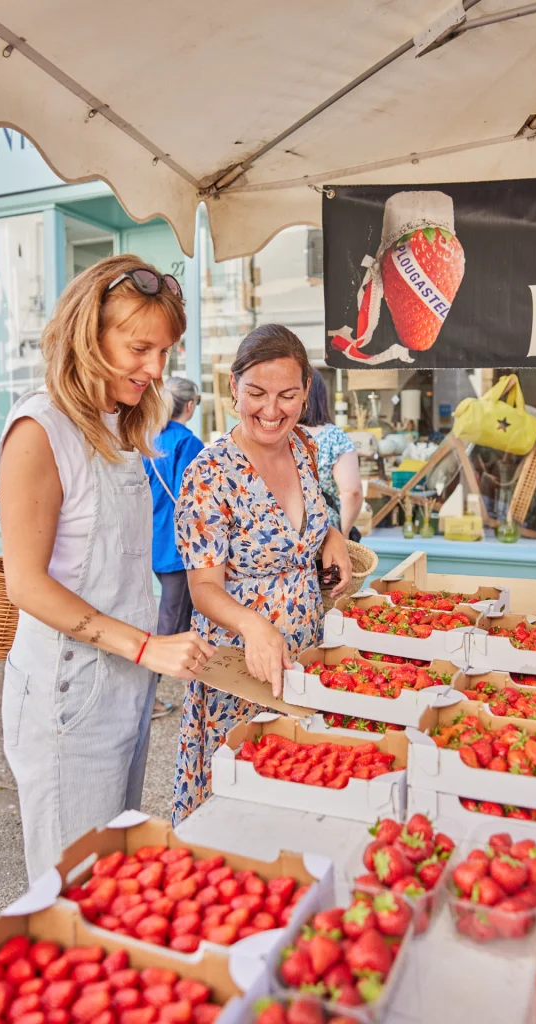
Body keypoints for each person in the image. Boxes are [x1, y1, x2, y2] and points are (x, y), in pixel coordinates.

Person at [0, 255, 214, 881]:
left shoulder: (122, 423)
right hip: (70, 694)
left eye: (165, 353)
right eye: (139, 348)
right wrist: (147, 647)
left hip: (123, 684)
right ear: (88, 335)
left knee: (109, 881)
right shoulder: (40, 430)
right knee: (72, 893)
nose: (156, 370)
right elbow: (27, 584)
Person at [172, 324, 352, 822]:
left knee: (304, 792)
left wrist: (332, 535)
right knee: (239, 809)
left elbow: (309, 525)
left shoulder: (305, 450)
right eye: (257, 393)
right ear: (233, 387)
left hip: (305, 655)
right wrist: (255, 627)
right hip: (239, 668)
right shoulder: (209, 474)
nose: (272, 411)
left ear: (306, 393)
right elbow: (204, 588)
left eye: (287, 395)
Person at [143, 377, 204, 719]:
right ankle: (145, 697)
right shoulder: (189, 443)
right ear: (190, 406)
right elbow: (194, 499)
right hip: (181, 548)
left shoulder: (151, 439)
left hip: (156, 540)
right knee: (171, 624)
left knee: (179, 618)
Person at [301, 370, 364, 540]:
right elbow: (352, 492)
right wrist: (343, 535)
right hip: (325, 531)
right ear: (321, 397)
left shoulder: (278, 436)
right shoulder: (335, 437)